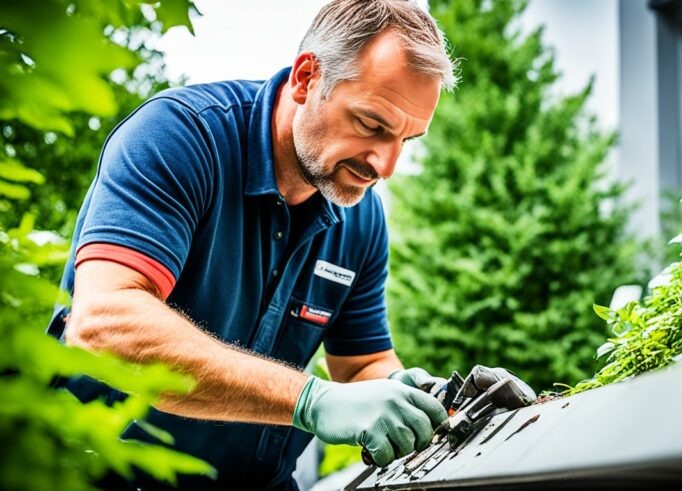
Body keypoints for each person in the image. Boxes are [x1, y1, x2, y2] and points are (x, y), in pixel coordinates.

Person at [47, 0, 459, 489]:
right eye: (373, 125)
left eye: (407, 140)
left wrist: (422, 396)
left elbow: (362, 364)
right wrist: (312, 401)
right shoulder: (179, 138)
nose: (386, 166)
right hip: (97, 473)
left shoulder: (360, 216)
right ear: (307, 78)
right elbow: (105, 326)